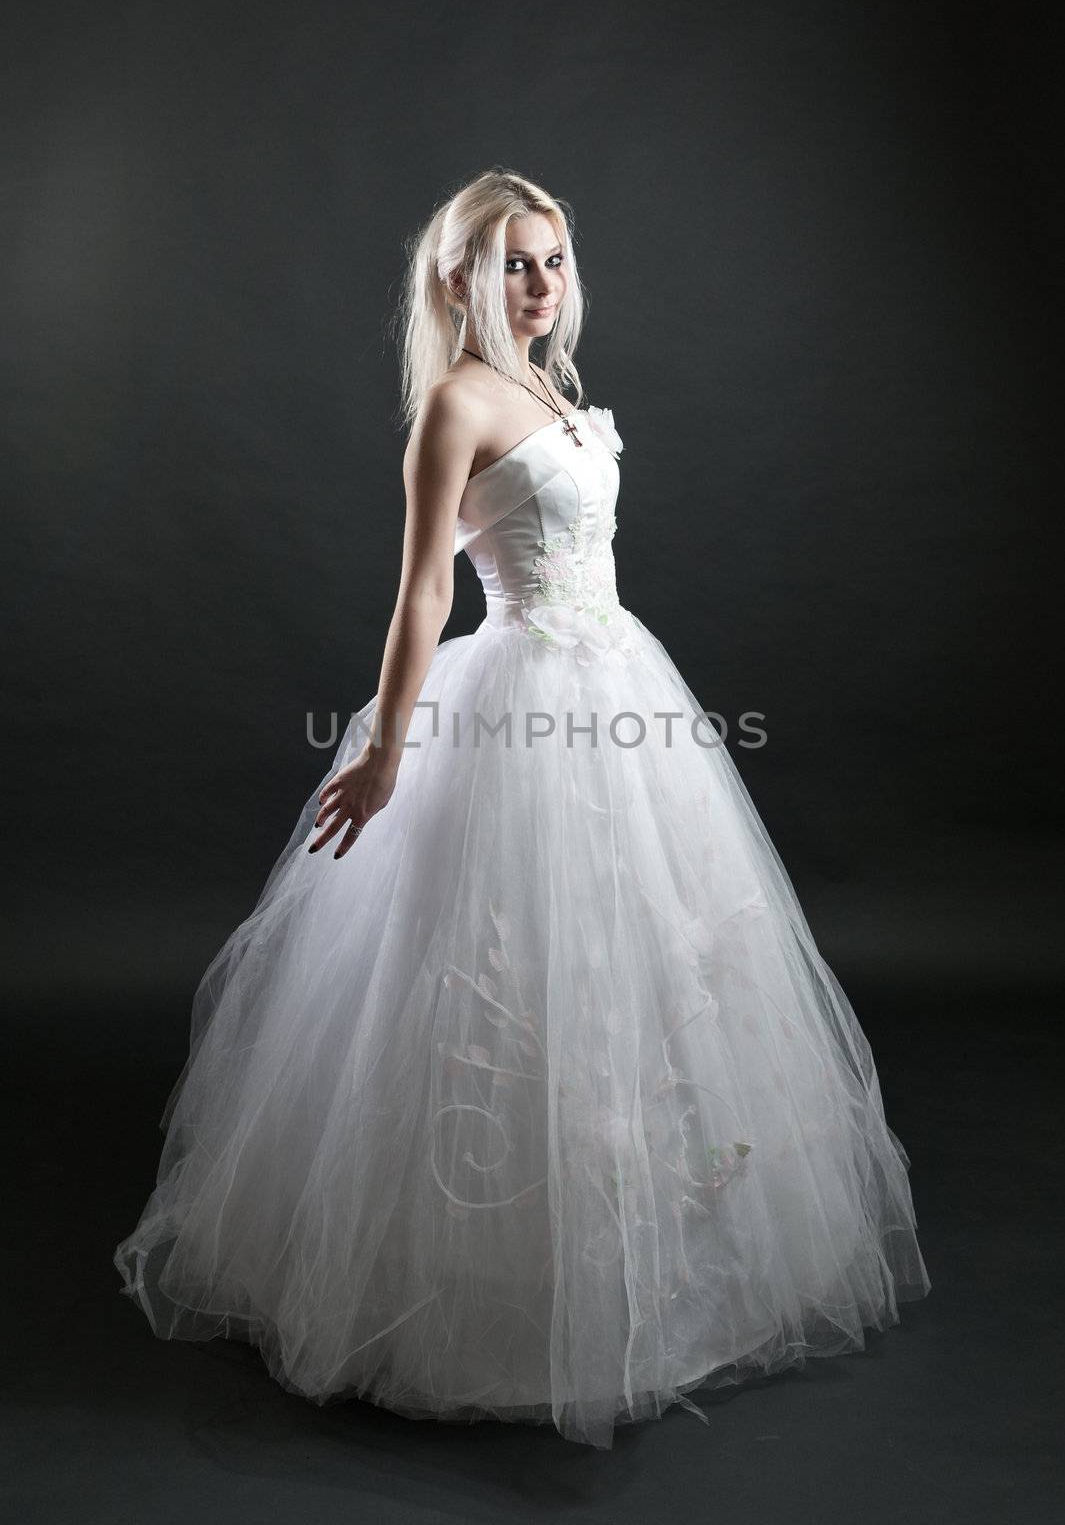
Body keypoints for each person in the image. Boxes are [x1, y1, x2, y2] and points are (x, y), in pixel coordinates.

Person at [113, 168, 931, 1451]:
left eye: (551, 260)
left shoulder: (551, 387)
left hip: (618, 689)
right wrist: (385, 747)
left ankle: (653, 1269)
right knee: (500, 973)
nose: (540, 285)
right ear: (457, 280)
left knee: (647, 963)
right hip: (520, 697)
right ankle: (493, 1292)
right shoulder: (454, 403)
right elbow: (426, 594)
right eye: (512, 264)